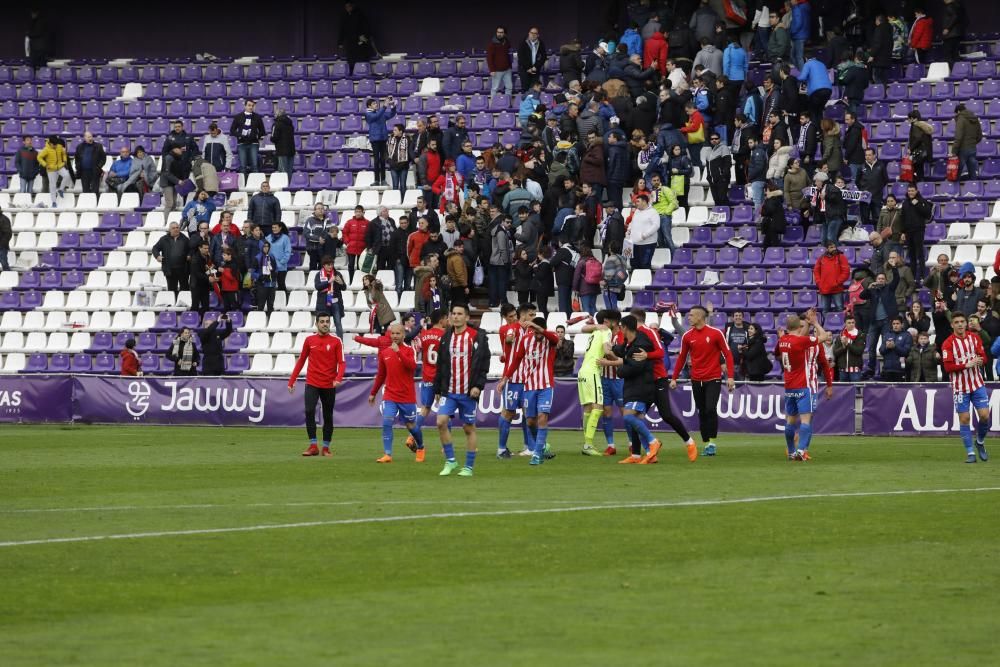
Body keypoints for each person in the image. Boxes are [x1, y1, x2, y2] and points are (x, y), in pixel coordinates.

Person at [670, 305, 735, 456]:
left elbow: (728, 354)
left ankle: (712, 442)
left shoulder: (716, 333)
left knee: (710, 409)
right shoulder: (687, 336)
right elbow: (681, 358)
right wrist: (674, 377)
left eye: (691, 315)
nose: (689, 317)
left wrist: (730, 376)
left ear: (700, 317)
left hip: (713, 378)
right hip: (696, 379)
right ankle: (706, 443)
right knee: (702, 412)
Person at [434, 303, 490, 476]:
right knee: (440, 422)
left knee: (468, 428)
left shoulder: (477, 337)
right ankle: (451, 461)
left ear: (467, 317)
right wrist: (437, 387)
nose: (456, 316)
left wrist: (478, 386)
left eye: (460, 314)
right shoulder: (446, 337)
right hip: (449, 391)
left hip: (468, 391)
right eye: (453, 313)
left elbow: (483, 364)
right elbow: (441, 364)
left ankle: (469, 467)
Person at [499, 317, 560, 465]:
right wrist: (505, 378)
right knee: (531, 421)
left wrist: (535, 326)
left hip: (546, 385)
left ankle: (537, 455)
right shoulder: (526, 340)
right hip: (529, 386)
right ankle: (542, 446)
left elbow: (553, 338)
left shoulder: (550, 338)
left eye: (539, 331)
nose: (538, 335)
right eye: (535, 331)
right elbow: (516, 360)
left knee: (542, 418)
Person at [605, 314, 664, 464]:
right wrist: (612, 348)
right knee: (635, 421)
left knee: (628, 416)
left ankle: (653, 441)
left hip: (642, 387)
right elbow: (623, 351)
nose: (619, 330)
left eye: (620, 327)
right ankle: (647, 455)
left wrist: (619, 369)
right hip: (633, 386)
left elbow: (636, 367)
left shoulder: (640, 344)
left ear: (624, 328)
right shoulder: (630, 341)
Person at [289, 313, 345, 457]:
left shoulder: (336, 341)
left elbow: (342, 363)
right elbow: (301, 360)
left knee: (328, 416)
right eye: (322, 322)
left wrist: (338, 378)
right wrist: (292, 380)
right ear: (317, 324)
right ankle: (313, 445)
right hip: (312, 382)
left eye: (327, 321)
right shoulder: (309, 340)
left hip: (329, 384)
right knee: (309, 411)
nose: (325, 324)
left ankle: (326, 447)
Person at [777, 310, 831, 461]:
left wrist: (806, 324)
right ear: (798, 327)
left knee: (790, 421)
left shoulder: (783, 340)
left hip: (789, 386)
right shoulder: (801, 341)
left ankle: (791, 451)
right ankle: (801, 451)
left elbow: (798, 337)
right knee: (806, 419)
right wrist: (814, 323)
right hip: (803, 385)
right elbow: (825, 336)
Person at [367, 323, 424, 464]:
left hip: (407, 396)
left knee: (411, 426)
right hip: (390, 395)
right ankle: (387, 454)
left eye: (398, 333)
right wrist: (373, 392)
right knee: (387, 421)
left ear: (403, 335)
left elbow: (412, 366)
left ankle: (421, 447)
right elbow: (381, 375)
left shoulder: (409, 350)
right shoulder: (385, 353)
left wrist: (398, 351)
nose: (395, 336)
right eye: (393, 333)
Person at [940, 311, 990, 462]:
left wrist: (981, 361)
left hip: (977, 384)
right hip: (960, 387)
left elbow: (984, 357)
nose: (960, 324)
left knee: (984, 416)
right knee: (965, 418)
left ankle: (979, 442)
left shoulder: (974, 338)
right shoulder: (948, 344)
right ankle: (970, 453)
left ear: (966, 323)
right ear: (952, 325)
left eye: (962, 321)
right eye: (957, 322)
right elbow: (948, 368)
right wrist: (966, 364)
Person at [497, 304, 536, 458]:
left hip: (528, 380)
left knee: (529, 414)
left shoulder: (532, 330)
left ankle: (529, 448)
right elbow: (508, 337)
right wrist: (508, 340)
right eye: (531, 315)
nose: (534, 318)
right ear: (524, 315)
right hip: (513, 379)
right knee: (508, 413)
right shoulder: (511, 329)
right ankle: (501, 449)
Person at [408, 309, 447, 452]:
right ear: (442, 319)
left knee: (425, 409)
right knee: (444, 410)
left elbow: (418, 350)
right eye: (446, 318)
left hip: (426, 376)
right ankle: (445, 446)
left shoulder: (424, 335)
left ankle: (411, 436)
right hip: (439, 378)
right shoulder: (444, 335)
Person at [860, 266, 901, 378]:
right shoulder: (872, 290)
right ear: (876, 280)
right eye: (879, 279)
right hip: (874, 322)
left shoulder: (889, 288)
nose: (881, 280)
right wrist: (869, 287)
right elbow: (861, 296)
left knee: (885, 346)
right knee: (871, 347)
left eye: (883, 279)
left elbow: (897, 279)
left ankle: (885, 369)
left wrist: (893, 267)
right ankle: (871, 369)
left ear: (885, 280)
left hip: (886, 322)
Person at [900, 183, 933, 282]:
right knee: (912, 255)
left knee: (920, 254)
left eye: (912, 191)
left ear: (916, 191)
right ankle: (913, 276)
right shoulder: (905, 203)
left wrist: (917, 203)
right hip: (909, 232)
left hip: (918, 230)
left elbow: (927, 214)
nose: (910, 193)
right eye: (909, 191)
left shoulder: (921, 201)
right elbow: (903, 218)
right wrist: (903, 232)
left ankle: (923, 275)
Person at [365, 97, 396, 186]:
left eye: (376, 103)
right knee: (376, 160)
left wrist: (393, 106)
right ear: (369, 106)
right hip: (374, 139)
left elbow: (391, 114)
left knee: (383, 160)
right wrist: (385, 106)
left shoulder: (380, 113)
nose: (376, 105)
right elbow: (376, 116)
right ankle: (376, 180)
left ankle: (383, 180)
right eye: (374, 103)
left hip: (383, 138)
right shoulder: (368, 114)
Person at [151, 222, 190, 296]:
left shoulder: (185, 239)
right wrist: (157, 256)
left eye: (177, 227)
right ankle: (173, 304)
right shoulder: (164, 239)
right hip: (169, 269)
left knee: (184, 289)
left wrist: (189, 255)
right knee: (172, 290)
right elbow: (155, 248)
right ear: (169, 230)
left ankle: (184, 304)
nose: (176, 229)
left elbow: (191, 249)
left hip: (183, 269)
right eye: (173, 228)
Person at [229, 100, 266, 175]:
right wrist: (239, 135)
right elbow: (232, 130)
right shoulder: (238, 117)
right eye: (249, 105)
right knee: (242, 166)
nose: (251, 107)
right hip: (241, 143)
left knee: (255, 166)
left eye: (252, 106)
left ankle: (255, 186)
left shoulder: (257, 117)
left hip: (254, 143)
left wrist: (256, 136)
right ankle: (243, 185)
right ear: (245, 106)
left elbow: (262, 131)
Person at [337, 1, 374, 74]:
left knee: (361, 59)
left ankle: (363, 74)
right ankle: (351, 74)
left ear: (352, 6)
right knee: (351, 60)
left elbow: (366, 28)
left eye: (349, 6)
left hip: (359, 43)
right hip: (350, 43)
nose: (347, 8)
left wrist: (364, 39)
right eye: (346, 7)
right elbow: (342, 30)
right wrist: (340, 42)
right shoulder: (345, 17)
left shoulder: (360, 15)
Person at [953, 103, 983, 183]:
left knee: (957, 171)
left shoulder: (961, 119)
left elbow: (958, 136)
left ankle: (954, 190)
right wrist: (973, 142)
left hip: (963, 148)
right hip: (972, 147)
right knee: (972, 170)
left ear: (958, 111)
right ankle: (974, 188)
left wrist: (954, 151)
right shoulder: (974, 118)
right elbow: (979, 135)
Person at [37, 136, 73, 203]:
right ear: (50, 143)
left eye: (56, 144)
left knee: (67, 175)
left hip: (59, 166)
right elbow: (39, 157)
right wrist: (45, 164)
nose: (55, 146)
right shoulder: (46, 149)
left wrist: (65, 161)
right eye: (54, 145)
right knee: (52, 185)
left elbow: (63, 153)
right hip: (51, 169)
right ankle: (54, 202)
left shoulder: (59, 146)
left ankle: (61, 189)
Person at [627, 194, 659, 269]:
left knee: (644, 265)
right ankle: (636, 280)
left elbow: (656, 225)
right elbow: (632, 222)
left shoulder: (653, 212)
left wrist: (644, 235)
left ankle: (645, 280)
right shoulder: (637, 211)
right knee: (633, 264)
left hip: (647, 244)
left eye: (638, 201)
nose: (636, 203)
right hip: (634, 243)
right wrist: (629, 229)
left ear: (644, 202)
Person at [797, 56, 832, 123]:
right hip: (828, 90)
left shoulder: (808, 63)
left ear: (806, 59)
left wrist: (794, 78)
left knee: (813, 111)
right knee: (819, 111)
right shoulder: (822, 64)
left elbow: (802, 77)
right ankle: (821, 130)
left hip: (817, 91)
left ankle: (814, 130)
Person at [833, 315, 867, 382]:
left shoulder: (860, 335)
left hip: (855, 369)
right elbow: (835, 352)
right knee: (843, 391)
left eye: (853, 322)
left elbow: (859, 351)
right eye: (849, 323)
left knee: (855, 390)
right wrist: (843, 347)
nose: (851, 324)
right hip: (842, 369)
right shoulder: (840, 336)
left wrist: (847, 344)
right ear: (845, 324)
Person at [878, 317, 912, 382]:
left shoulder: (907, 335)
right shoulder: (887, 335)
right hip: (887, 369)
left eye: (897, 323)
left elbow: (906, 352)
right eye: (894, 324)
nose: (895, 325)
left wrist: (895, 347)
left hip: (900, 370)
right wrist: (886, 347)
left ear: (902, 324)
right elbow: (881, 350)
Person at [907, 111, 934, 184]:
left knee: (917, 170)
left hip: (918, 152)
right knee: (920, 170)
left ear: (912, 118)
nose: (908, 121)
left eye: (909, 119)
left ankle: (919, 185)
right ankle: (921, 183)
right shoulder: (923, 125)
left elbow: (917, 138)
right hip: (925, 151)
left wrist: (910, 148)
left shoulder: (915, 126)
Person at [251, 240, 277, 313]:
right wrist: (260, 276)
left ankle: (271, 321)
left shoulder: (272, 256)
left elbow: (275, 268)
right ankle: (260, 322)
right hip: (262, 285)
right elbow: (252, 272)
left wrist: (275, 274)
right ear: (261, 247)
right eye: (264, 246)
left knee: (271, 305)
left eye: (267, 246)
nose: (266, 248)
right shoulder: (257, 258)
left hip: (272, 285)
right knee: (261, 305)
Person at [517, 27, 546, 92]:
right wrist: (528, 68)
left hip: (535, 70)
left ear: (538, 35)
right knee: (525, 89)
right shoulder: (523, 43)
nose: (533, 35)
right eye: (531, 33)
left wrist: (536, 66)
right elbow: (521, 57)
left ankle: (533, 102)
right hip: (525, 70)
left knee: (534, 90)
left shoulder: (541, 43)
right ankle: (526, 102)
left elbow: (543, 56)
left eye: (535, 33)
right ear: (529, 33)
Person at [487, 26, 514, 96]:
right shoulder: (492, 44)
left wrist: (510, 66)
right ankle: (493, 105)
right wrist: (491, 70)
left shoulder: (507, 42)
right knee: (494, 88)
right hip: (496, 71)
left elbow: (509, 54)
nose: (499, 34)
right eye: (498, 32)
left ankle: (508, 103)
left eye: (501, 32)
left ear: (504, 34)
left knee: (509, 87)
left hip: (507, 70)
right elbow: (489, 58)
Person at [760, 180, 787, 248]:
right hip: (774, 223)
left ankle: (774, 256)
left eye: (766, 190)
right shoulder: (776, 199)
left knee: (772, 243)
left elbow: (768, 211)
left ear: (769, 190)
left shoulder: (771, 199)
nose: (765, 192)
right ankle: (767, 255)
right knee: (768, 242)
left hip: (772, 224)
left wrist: (763, 210)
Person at [270, 108, 296, 178]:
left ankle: (284, 188)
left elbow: (274, 138)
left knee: (282, 172)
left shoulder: (276, 124)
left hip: (281, 151)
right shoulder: (290, 124)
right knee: (289, 172)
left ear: (277, 114)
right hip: (291, 150)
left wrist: (271, 138)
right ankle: (288, 187)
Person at [940, 0, 967, 65]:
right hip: (956, 34)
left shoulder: (950, 6)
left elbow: (955, 16)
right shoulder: (957, 6)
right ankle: (957, 71)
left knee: (949, 55)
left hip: (951, 35)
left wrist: (947, 28)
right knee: (955, 55)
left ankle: (953, 72)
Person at [747, 136, 767, 213]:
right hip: (759, 179)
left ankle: (758, 219)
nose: (749, 144)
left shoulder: (758, 151)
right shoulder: (758, 151)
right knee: (761, 201)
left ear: (756, 142)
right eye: (748, 143)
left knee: (757, 201)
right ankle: (761, 219)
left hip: (758, 180)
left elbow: (759, 167)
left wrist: (750, 177)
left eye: (751, 142)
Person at [789, 0, 811, 68]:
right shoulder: (805, 7)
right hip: (802, 33)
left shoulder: (797, 8)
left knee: (798, 57)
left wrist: (791, 31)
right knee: (796, 56)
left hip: (798, 35)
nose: (790, 1)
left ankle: (802, 74)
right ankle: (800, 72)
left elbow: (798, 23)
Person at [0, 206, 11, 271]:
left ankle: (9, 279)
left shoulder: (4, 219)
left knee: (4, 265)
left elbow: (8, 234)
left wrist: (2, 244)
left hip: (1, 247)